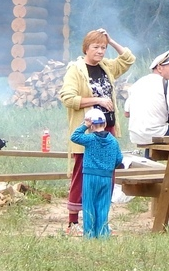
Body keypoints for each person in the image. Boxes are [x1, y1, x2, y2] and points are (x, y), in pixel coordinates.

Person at [58, 29, 135, 233]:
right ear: (86, 48)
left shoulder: (106, 66)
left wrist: (112, 40)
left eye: (103, 47)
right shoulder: (76, 69)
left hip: (107, 130)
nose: (100, 51)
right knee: (81, 173)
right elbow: (67, 97)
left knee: (107, 174)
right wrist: (97, 100)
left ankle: (101, 219)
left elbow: (128, 59)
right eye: (96, 47)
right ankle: (73, 221)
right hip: (87, 132)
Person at [70, 108, 123, 239]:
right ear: (105, 124)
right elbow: (119, 159)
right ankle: (103, 235)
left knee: (89, 206)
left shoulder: (90, 139)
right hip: (106, 177)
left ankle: (89, 235)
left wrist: (84, 125)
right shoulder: (113, 141)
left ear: (91, 126)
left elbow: (74, 137)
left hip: (90, 176)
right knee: (103, 206)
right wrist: (109, 166)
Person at [125, 51, 169, 154]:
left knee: (155, 130)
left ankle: (149, 160)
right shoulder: (166, 83)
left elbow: (127, 113)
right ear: (160, 68)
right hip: (155, 133)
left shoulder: (138, 83)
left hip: (136, 135)